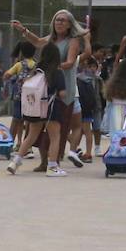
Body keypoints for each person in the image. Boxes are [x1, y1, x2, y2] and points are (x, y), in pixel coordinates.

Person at [12, 10, 89, 171]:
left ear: (69, 24)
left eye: (63, 20)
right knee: (42, 129)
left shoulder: (72, 40)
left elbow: (70, 62)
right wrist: (24, 30)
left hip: (62, 87)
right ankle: (46, 162)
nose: (59, 23)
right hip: (45, 90)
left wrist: (52, 68)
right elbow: (38, 42)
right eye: (57, 20)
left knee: (58, 127)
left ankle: (53, 161)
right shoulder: (50, 39)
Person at [7, 41, 68, 177]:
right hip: (52, 108)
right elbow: (63, 93)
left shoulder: (36, 70)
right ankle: (52, 167)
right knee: (54, 137)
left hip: (35, 108)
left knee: (31, 136)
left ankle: (15, 162)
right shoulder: (57, 72)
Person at [1, 40, 38, 152]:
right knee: (29, 121)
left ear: (22, 52)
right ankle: (27, 146)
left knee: (16, 120)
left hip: (19, 96)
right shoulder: (36, 65)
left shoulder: (19, 65)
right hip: (32, 97)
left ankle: (10, 143)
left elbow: (6, 75)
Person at [77, 53, 102, 161]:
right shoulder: (94, 78)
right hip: (91, 106)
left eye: (93, 66)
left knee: (87, 129)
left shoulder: (78, 77)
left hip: (84, 106)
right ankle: (86, 151)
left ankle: (80, 150)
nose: (91, 68)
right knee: (86, 130)